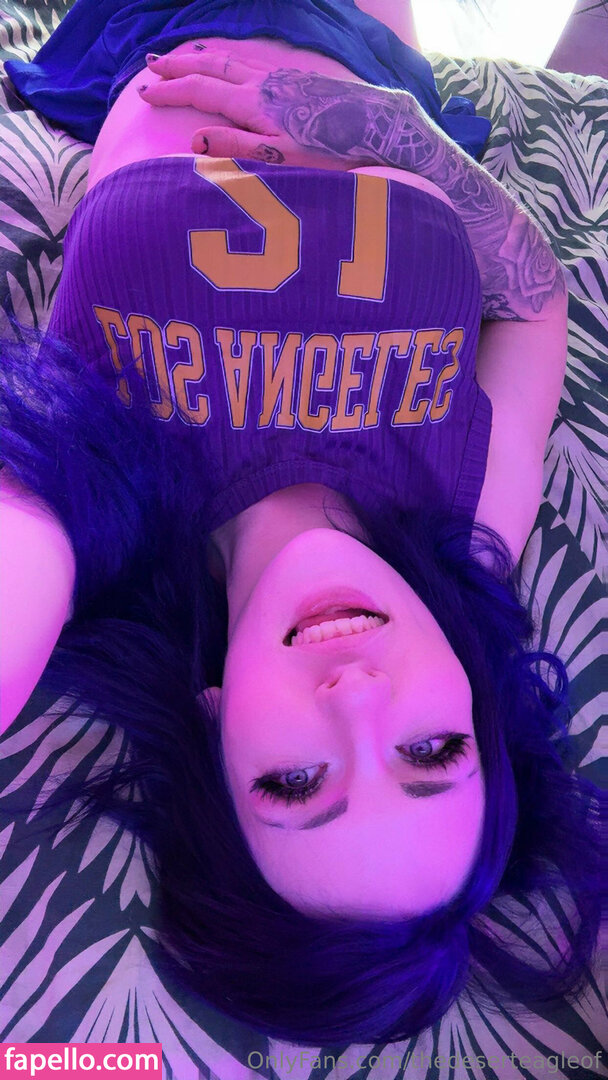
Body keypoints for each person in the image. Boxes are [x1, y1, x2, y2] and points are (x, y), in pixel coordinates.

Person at [0, 0, 604, 1046]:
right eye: (430, 750)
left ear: (213, 725)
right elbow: (535, 302)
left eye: (294, 783)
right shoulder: (467, 527)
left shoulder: (105, 534)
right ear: (475, 709)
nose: (357, 697)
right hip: (372, 50)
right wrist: (385, 130)